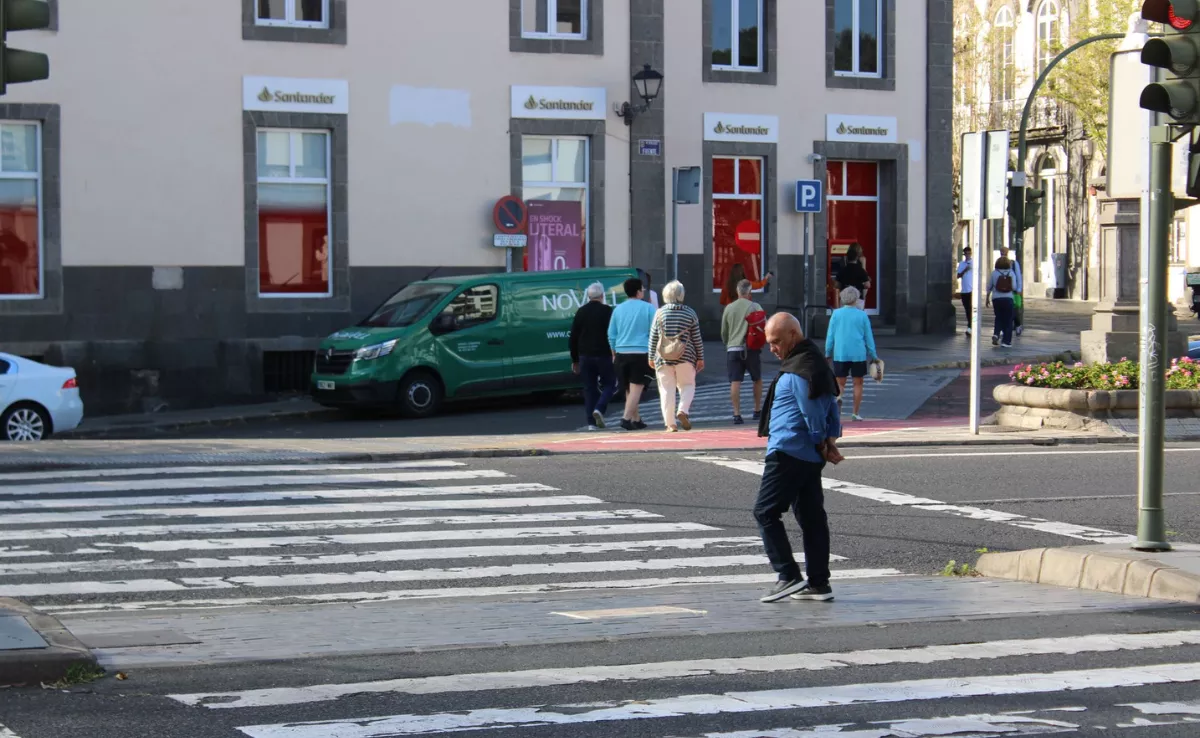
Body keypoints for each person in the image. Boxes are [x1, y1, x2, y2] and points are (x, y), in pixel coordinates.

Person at [754, 312, 841, 603]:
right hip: (807, 455)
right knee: (812, 518)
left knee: (765, 512)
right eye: (769, 342)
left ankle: (788, 574)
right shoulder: (814, 363)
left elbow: (812, 411)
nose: (772, 348)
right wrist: (829, 440)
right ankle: (818, 583)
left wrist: (821, 441)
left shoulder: (798, 370)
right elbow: (832, 406)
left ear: (793, 334)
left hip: (788, 451)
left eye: (776, 341)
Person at [648, 280, 705, 432]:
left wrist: (651, 356)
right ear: (681, 295)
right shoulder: (690, 313)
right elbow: (696, 338)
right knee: (687, 385)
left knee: (666, 390)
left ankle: (670, 424)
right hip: (686, 356)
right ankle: (683, 410)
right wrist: (700, 357)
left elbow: (653, 337)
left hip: (663, 358)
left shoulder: (659, 313)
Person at [607, 277, 657, 431]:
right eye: (642, 289)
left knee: (630, 388)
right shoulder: (649, 308)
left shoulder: (618, 309)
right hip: (641, 352)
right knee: (637, 387)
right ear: (638, 291)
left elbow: (611, 334)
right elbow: (655, 332)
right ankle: (626, 418)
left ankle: (637, 419)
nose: (644, 291)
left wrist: (614, 351)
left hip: (621, 352)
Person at [825, 286, 878, 422]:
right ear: (856, 299)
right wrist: (873, 355)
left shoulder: (836, 314)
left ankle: (839, 400)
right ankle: (855, 413)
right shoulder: (862, 315)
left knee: (840, 383)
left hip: (840, 353)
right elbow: (868, 337)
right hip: (858, 354)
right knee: (858, 383)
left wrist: (827, 352)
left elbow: (830, 335)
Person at [569, 282, 617, 429]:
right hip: (604, 354)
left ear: (588, 296)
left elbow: (573, 337)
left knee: (589, 388)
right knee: (610, 384)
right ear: (602, 295)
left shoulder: (581, 311)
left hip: (585, 355)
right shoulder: (607, 311)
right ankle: (599, 408)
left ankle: (591, 423)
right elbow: (613, 333)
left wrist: (575, 359)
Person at [720, 279, 766, 425]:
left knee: (735, 381)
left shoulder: (729, 308)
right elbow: (764, 326)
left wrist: (728, 342)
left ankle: (737, 414)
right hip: (751, 348)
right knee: (757, 379)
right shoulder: (755, 306)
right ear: (749, 292)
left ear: (737, 291)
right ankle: (757, 410)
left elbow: (724, 332)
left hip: (733, 348)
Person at [986, 256, 1020, 348]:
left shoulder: (994, 273)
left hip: (996, 299)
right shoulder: (1011, 273)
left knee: (998, 317)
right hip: (1008, 298)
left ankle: (996, 334)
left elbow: (989, 286)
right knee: (1008, 320)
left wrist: (987, 298)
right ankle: (1006, 341)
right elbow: (1014, 287)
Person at [835, 243, 871, 309]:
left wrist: (843, 287)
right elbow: (867, 284)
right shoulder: (861, 268)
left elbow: (837, 285)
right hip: (858, 296)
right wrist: (860, 286)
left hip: (845, 296)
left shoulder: (842, 269)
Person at [957, 246, 974, 336]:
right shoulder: (962, 264)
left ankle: (970, 326)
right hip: (964, 291)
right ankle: (970, 325)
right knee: (967, 310)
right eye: (966, 254)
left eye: (969, 253)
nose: (968, 255)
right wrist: (965, 270)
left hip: (972, 290)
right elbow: (958, 275)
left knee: (972, 309)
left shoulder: (974, 263)